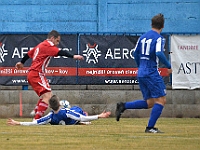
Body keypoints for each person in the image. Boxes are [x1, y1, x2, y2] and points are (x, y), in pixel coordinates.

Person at [115, 13, 172, 133]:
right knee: (161, 100)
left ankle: (123, 106)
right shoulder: (159, 38)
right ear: (162, 26)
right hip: (151, 72)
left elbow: (135, 53)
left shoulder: (143, 37)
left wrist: (140, 65)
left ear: (151, 24)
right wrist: (168, 66)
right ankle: (150, 127)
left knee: (150, 102)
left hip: (141, 72)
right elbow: (159, 53)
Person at [15, 30, 84, 120]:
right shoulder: (48, 45)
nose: (57, 43)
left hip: (33, 73)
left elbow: (28, 54)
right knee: (47, 97)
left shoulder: (40, 45)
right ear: (52, 38)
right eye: (57, 41)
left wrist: (22, 62)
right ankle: (36, 119)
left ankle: (36, 111)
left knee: (48, 96)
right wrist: (73, 56)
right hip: (37, 73)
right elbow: (60, 52)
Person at [7, 95, 111, 126]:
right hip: (74, 119)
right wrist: (99, 116)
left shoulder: (50, 116)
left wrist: (18, 123)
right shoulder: (66, 112)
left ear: (50, 107)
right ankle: (81, 121)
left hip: (66, 121)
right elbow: (82, 117)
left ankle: (81, 123)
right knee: (77, 110)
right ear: (60, 104)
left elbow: (34, 123)